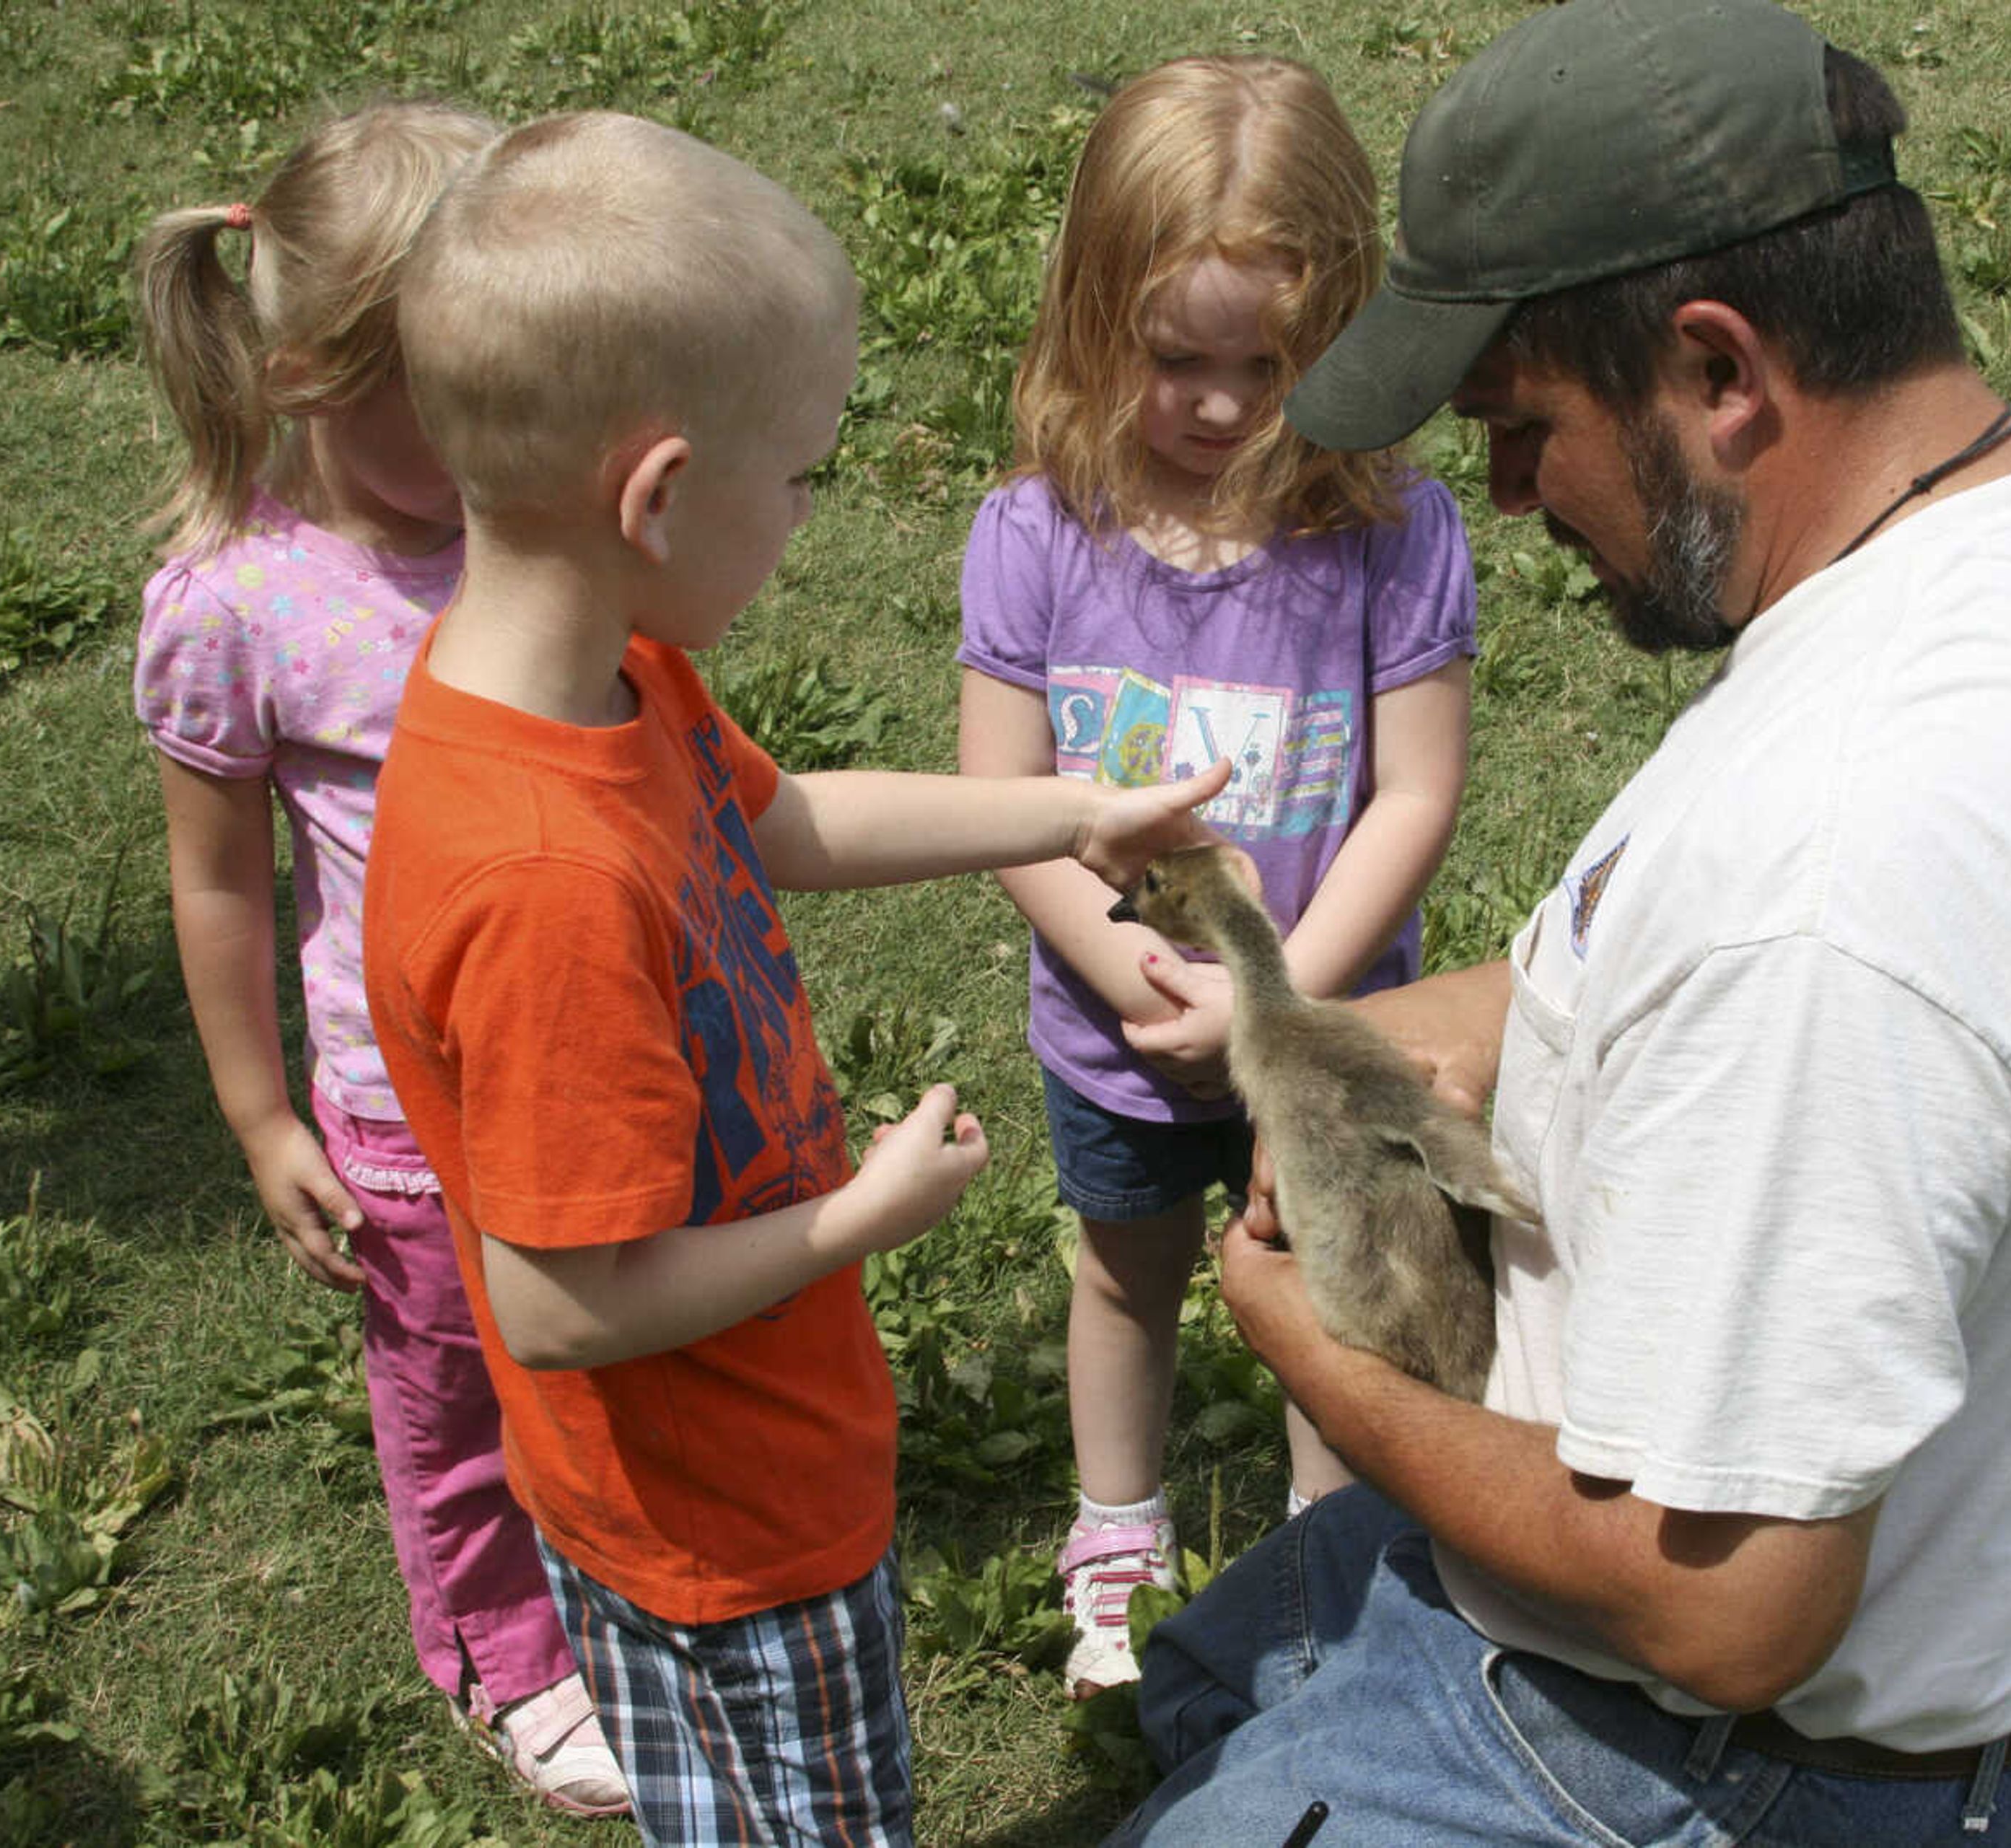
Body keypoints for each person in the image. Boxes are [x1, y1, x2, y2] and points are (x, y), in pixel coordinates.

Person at [1115, 2, 2011, 1844]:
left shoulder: (1836, 872)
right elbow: (1640, 990)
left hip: (1701, 1750)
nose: (1502, 497)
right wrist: (1358, 1058)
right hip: (1729, 1609)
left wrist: (1300, 1339)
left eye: (1524, 426)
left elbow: (1728, 1612)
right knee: (1208, 1683)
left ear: (1716, 369)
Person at [362, 111, 1233, 1847]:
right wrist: (865, 1215)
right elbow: (556, 1304)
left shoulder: (605, 678)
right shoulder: (543, 877)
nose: (810, 514)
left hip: (694, 1484)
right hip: (723, 1516)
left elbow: (793, 821)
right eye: (802, 472)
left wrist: (1080, 805)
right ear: (664, 493)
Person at [954, 53, 1478, 1699]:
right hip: (1113, 1026)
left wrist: (1279, 997)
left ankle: (1326, 1562)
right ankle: (1117, 1522)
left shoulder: (1392, 528)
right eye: (1173, 359)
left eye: (1268, 366)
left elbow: (1417, 790)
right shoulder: (1041, 528)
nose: (1217, 406)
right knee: (1126, 1267)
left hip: (1316, 1029)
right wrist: (1135, 981)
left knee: (1333, 1281)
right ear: (1095, 320)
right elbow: (1000, 791)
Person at [128, 100, 629, 1819]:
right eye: (463, 380)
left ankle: (623, 1575)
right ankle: (501, 1647)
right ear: (315, 382)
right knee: (455, 1398)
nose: (518, 413)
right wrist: (266, 1124)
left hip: (591, 1056)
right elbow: (220, 889)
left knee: (606, 1335)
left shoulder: (539, 516)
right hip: (408, 1110)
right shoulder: (241, 605)